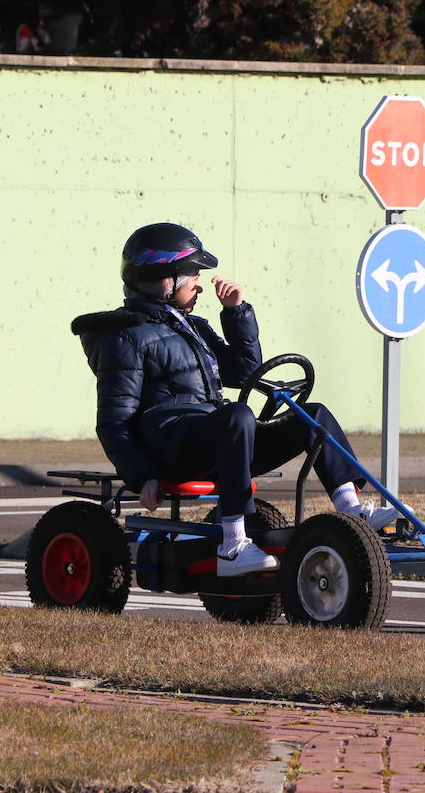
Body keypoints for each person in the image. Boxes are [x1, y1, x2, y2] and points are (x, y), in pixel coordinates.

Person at [73, 222, 405, 577]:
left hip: (217, 437)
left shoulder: (193, 327)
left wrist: (236, 312)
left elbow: (244, 371)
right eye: (192, 275)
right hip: (173, 446)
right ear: (164, 280)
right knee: (237, 415)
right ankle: (232, 546)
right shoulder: (124, 338)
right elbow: (114, 421)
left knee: (312, 415)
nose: (199, 283)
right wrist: (143, 477)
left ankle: (351, 508)